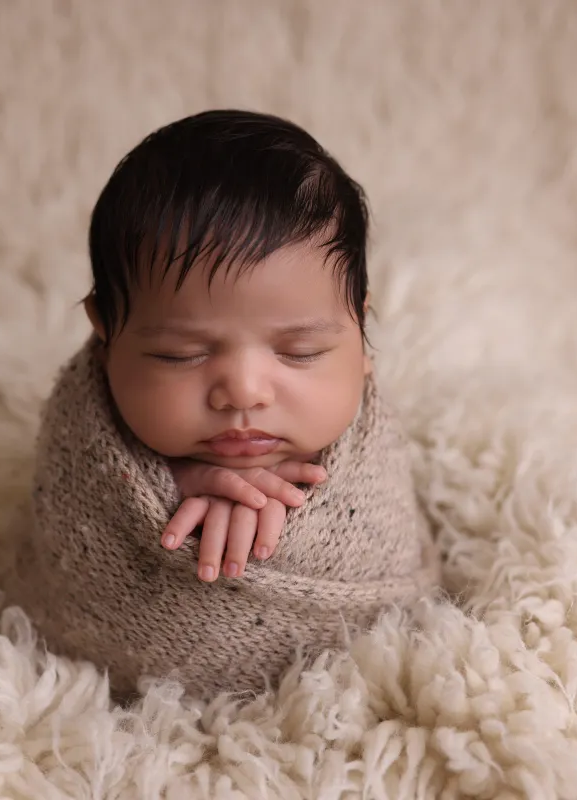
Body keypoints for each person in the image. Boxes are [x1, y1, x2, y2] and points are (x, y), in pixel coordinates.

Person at [82, 108, 374, 584]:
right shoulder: (85, 459)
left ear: (361, 337)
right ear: (104, 337)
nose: (243, 392)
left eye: (300, 351)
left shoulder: (372, 472)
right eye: (180, 355)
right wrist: (169, 486)